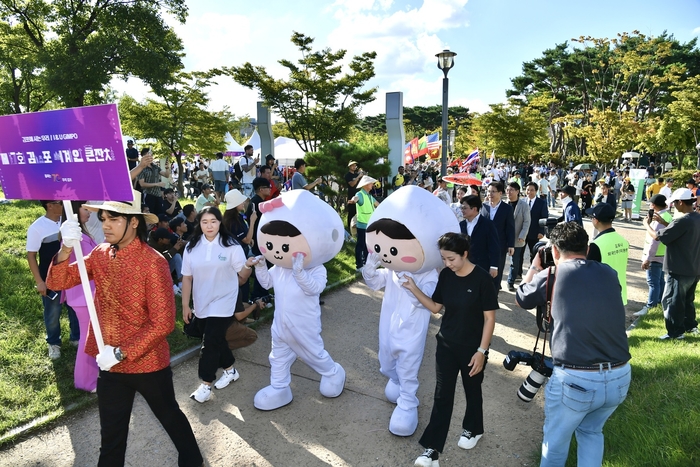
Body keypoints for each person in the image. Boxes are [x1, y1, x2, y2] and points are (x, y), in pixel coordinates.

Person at [46, 191, 203, 467]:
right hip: (110, 367)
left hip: (147, 365)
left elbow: (163, 323)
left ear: (133, 222)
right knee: (111, 437)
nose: (105, 224)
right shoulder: (99, 253)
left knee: (170, 417)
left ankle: (192, 460)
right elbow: (58, 282)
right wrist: (66, 249)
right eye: (103, 218)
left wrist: (120, 353)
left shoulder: (153, 262)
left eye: (113, 219)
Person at [516, 222, 631, 467]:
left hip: (576, 380)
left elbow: (521, 297)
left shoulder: (552, 275)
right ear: (587, 248)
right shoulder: (609, 272)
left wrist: (535, 267)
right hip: (620, 375)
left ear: (554, 252)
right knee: (591, 432)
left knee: (555, 443)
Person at [361, 186, 460, 437]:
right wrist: (371, 269)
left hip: (412, 329)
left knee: (407, 363)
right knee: (385, 360)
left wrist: (412, 287)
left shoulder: (428, 274)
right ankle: (395, 381)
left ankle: (408, 401)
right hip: (388, 323)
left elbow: (427, 302)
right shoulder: (393, 271)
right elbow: (376, 284)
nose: (388, 256)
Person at [405, 233, 498, 467]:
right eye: (444, 259)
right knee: (442, 395)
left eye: (451, 259)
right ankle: (432, 450)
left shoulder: (483, 279)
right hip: (446, 344)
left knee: (472, 390)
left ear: (464, 254)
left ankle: (474, 428)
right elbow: (436, 307)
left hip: (472, 349)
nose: (447, 264)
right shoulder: (446, 275)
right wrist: (414, 288)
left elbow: (489, 319)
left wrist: (482, 351)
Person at [251, 190, 346, 411]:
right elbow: (267, 284)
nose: (278, 252)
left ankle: (333, 372)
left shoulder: (317, 269)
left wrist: (300, 272)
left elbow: (315, 289)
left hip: (304, 324)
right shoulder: (280, 268)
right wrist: (261, 266)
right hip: (281, 324)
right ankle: (279, 387)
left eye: (284, 247)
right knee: (278, 357)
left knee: (313, 354)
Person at [181, 206, 254, 403]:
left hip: (224, 300)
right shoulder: (192, 247)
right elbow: (187, 278)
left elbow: (242, 277)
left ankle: (206, 384)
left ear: (220, 222)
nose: (209, 226)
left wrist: (248, 266)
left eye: (213, 221)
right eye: (204, 222)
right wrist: (185, 306)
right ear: (199, 224)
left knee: (210, 341)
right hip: (202, 301)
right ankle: (230, 370)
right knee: (217, 339)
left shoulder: (231, 246)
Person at [643, 188, 700, 340]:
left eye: (674, 203)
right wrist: (664, 222)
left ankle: (675, 333)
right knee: (687, 299)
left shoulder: (682, 220)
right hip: (694, 267)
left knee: (672, 300)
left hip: (678, 268)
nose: (673, 206)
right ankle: (691, 326)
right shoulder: (696, 218)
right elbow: (678, 233)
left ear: (680, 202)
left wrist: (646, 225)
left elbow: (658, 237)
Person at [27, 200, 80, 359]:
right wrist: (39, 281)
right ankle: (53, 343)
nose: (64, 204)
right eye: (60, 202)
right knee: (52, 311)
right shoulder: (37, 228)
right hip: (50, 279)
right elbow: (31, 256)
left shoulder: (70, 222)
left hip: (71, 277)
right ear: (49, 205)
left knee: (75, 308)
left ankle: (76, 338)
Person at [60, 201, 99, 392]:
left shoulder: (80, 235)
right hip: (83, 296)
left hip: (85, 294)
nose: (89, 212)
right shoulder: (74, 238)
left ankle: (90, 377)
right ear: (74, 211)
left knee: (90, 337)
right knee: (87, 338)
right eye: (85, 208)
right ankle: (85, 382)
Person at [634, 194, 673, 317]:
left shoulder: (658, 218)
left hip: (655, 256)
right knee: (660, 281)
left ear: (654, 205)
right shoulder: (667, 216)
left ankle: (651, 306)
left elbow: (654, 240)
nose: (650, 205)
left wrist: (647, 259)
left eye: (651, 204)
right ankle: (660, 302)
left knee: (653, 282)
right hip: (663, 254)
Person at [586, 203, 629, 305]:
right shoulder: (623, 241)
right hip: (620, 295)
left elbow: (588, 274)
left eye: (592, 217)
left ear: (596, 220)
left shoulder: (596, 244)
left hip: (602, 298)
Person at [223, 189, 258, 303]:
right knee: (243, 279)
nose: (243, 203)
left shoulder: (236, 217)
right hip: (238, 255)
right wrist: (252, 221)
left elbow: (247, 238)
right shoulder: (233, 221)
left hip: (241, 251)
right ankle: (242, 307)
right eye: (241, 201)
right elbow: (247, 239)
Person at [481, 182, 515, 293]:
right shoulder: (483, 206)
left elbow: (510, 228)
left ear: (500, 193)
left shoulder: (507, 209)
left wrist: (511, 245)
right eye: (488, 191)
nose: (490, 193)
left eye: (493, 191)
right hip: (484, 245)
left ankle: (493, 296)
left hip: (499, 245)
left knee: (496, 271)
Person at [459, 195, 500, 279]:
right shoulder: (461, 225)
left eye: (464, 208)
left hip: (482, 265)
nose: (462, 210)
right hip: (464, 266)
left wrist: (494, 266)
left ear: (474, 209)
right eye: (461, 208)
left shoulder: (488, 224)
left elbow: (494, 246)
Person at [246, 177, 272, 300]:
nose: (270, 189)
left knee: (265, 266)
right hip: (259, 240)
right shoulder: (258, 203)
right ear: (261, 189)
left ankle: (264, 293)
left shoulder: (255, 201)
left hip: (260, 239)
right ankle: (258, 296)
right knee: (262, 267)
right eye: (268, 187)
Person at [348, 175, 379, 271]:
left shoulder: (369, 196)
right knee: (361, 245)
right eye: (370, 183)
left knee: (367, 245)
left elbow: (377, 204)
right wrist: (353, 200)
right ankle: (359, 266)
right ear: (366, 185)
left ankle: (366, 263)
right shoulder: (360, 194)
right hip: (362, 225)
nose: (372, 184)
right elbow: (356, 198)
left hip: (369, 225)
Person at [506, 182, 531, 291]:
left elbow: (526, 222)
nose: (509, 192)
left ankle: (510, 281)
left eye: (511, 190)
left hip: (517, 238)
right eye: (507, 190)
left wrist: (522, 235)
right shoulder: (503, 204)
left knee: (514, 262)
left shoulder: (524, 206)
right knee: (500, 261)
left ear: (517, 191)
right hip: (503, 238)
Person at [136, 148, 169, 215]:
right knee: (150, 215)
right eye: (148, 154)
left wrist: (167, 168)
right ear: (144, 156)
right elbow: (142, 184)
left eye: (151, 154)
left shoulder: (155, 167)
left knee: (160, 215)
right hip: (149, 195)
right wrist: (157, 184)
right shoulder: (141, 168)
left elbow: (166, 175)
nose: (150, 156)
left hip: (158, 195)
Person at [524, 182, 549, 263]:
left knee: (534, 254)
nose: (529, 192)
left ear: (536, 191)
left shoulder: (541, 203)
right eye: (527, 190)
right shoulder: (522, 202)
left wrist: (541, 231)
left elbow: (544, 218)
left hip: (535, 233)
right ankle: (518, 274)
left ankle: (533, 271)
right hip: (522, 233)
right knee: (519, 254)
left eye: (532, 190)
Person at [345, 161, 363, 233]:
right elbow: (352, 184)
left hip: (358, 195)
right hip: (351, 196)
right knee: (351, 213)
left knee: (357, 212)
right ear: (349, 166)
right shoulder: (348, 175)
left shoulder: (356, 174)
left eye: (355, 165)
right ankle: (349, 228)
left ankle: (356, 228)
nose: (354, 167)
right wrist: (358, 177)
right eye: (352, 165)